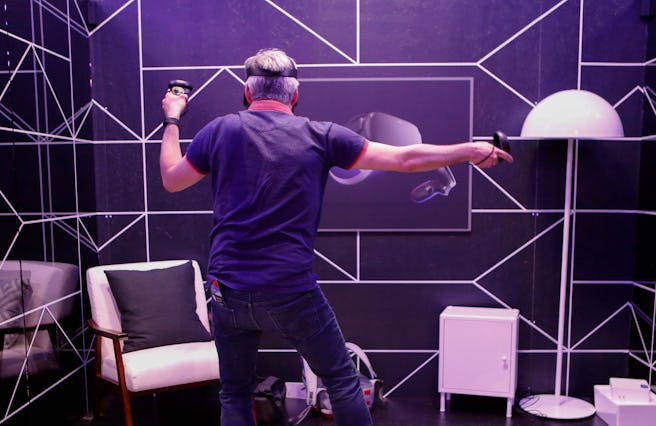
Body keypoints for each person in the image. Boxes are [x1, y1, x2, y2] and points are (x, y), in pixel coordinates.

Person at [160, 48, 513, 426]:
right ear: (294, 95)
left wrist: (173, 119)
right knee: (343, 383)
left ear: (247, 93)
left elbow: (171, 179)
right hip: (289, 290)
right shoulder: (321, 136)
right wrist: (470, 151)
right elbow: (404, 159)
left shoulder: (219, 130)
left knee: (234, 393)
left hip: (226, 289)